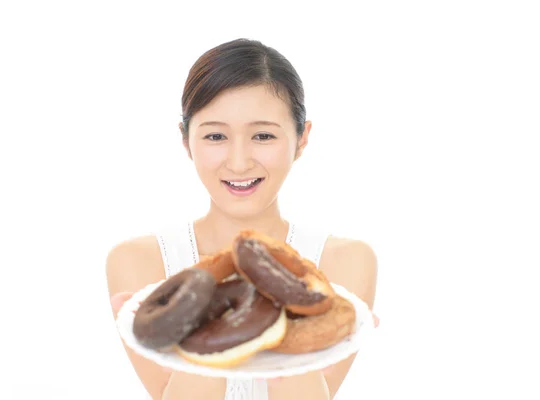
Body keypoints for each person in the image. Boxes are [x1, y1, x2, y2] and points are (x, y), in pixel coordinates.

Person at [106, 38, 379, 400]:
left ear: (301, 139)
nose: (238, 162)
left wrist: (305, 352)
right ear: (186, 141)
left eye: (263, 135)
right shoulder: (140, 263)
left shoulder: (345, 262)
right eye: (216, 135)